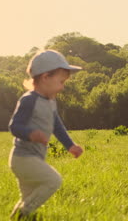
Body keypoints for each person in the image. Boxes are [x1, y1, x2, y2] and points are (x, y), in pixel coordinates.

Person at [8, 50, 84, 219]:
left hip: (34, 157)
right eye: (61, 81)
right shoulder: (29, 100)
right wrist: (31, 134)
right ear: (45, 77)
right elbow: (14, 126)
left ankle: (18, 217)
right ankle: (24, 213)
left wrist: (70, 145)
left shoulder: (50, 101)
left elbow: (57, 126)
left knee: (27, 197)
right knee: (53, 181)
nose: (63, 87)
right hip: (23, 158)